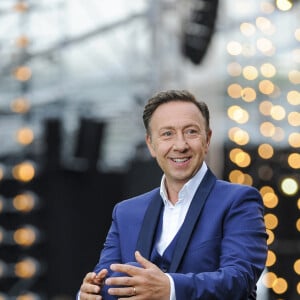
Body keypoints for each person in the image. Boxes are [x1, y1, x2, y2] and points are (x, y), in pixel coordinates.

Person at [78, 90, 267, 299]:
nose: (180, 145)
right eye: (167, 133)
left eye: (191, 132)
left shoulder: (239, 201)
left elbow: (239, 280)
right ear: (151, 144)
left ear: (207, 139)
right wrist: (87, 293)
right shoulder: (126, 212)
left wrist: (170, 288)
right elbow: (105, 281)